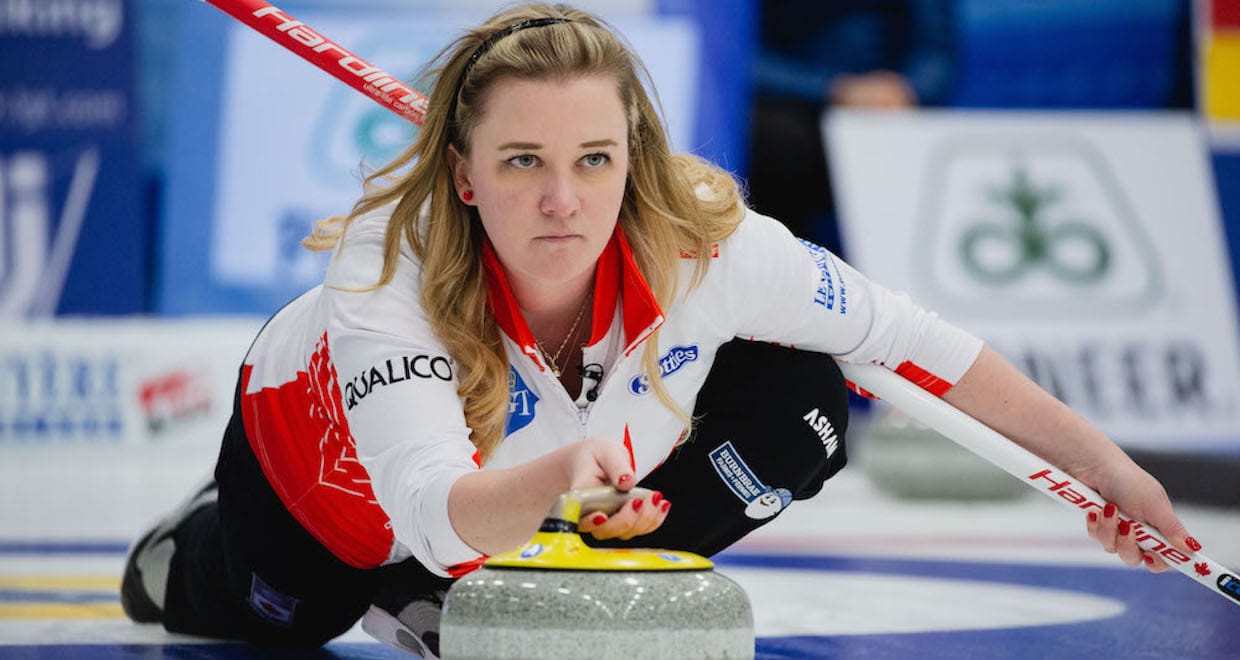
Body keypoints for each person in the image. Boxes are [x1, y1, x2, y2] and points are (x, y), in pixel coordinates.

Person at [120, 2, 1200, 655]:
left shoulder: (707, 242)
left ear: (630, 158)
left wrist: (1112, 471)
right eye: (522, 163)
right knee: (292, 613)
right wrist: (553, 480)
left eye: (593, 159)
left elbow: (915, 346)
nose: (563, 203)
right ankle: (198, 549)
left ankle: (555, 579)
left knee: (805, 394)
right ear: (460, 173)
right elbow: (437, 514)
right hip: (324, 480)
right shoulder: (385, 273)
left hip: (547, 481)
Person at [747, 0, 955, 252]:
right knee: (772, 140)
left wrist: (906, 90)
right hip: (794, 111)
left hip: (892, 112)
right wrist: (833, 89)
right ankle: (786, 266)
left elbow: (935, 48)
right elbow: (740, 52)